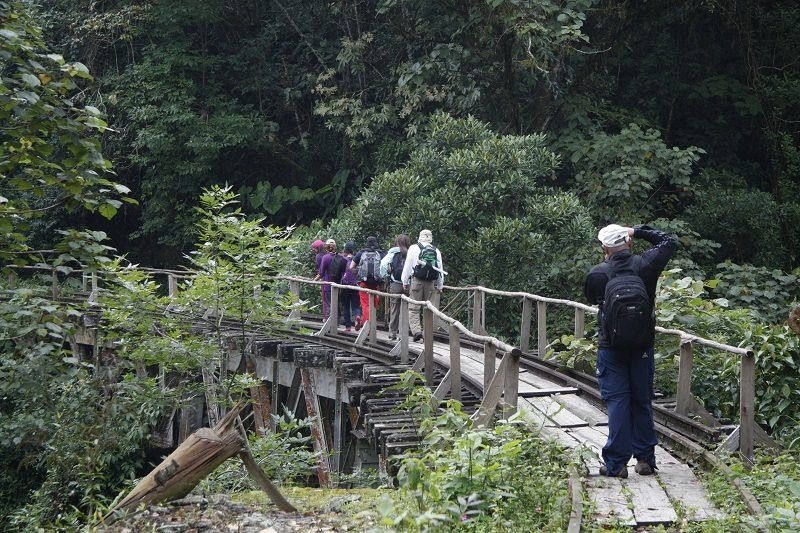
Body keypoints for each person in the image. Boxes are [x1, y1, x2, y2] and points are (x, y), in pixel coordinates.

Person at [583, 224, 677, 478]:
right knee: (641, 400)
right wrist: (638, 230)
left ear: (604, 248)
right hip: (642, 346)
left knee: (617, 401)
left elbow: (592, 299)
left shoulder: (598, 273)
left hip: (610, 347)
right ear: (629, 242)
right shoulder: (647, 264)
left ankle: (616, 464)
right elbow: (669, 241)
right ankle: (645, 459)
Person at [401, 229, 445, 342]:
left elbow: (407, 266)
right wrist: (440, 286)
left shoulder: (414, 248)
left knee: (414, 308)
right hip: (431, 283)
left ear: (420, 237)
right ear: (431, 238)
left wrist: (404, 282)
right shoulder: (436, 250)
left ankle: (417, 332)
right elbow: (439, 270)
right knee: (428, 309)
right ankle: (427, 334)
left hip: (417, 281)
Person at [381, 234, 411, 340]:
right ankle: (403, 334)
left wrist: (385, 275)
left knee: (394, 308)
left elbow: (383, 265)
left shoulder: (392, 252)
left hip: (395, 283)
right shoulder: (411, 252)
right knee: (405, 308)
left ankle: (392, 333)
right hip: (408, 284)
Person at [349, 236, 384, 329]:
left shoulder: (361, 253)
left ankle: (367, 327)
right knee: (373, 305)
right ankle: (368, 325)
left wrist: (359, 274)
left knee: (365, 305)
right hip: (376, 284)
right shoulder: (380, 253)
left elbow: (351, 267)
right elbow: (386, 268)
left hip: (363, 283)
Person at [314, 239, 341, 320]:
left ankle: (329, 323)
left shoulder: (325, 257)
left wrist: (314, 281)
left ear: (326, 247)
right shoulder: (339, 257)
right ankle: (336, 322)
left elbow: (321, 272)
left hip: (328, 283)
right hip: (338, 284)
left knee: (329, 303)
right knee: (336, 303)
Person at [339, 242, 361, 332]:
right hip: (355, 285)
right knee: (355, 305)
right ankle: (357, 316)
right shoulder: (357, 260)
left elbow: (339, 271)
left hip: (345, 285)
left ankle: (348, 327)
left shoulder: (343, 259)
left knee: (346, 306)